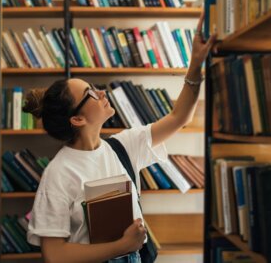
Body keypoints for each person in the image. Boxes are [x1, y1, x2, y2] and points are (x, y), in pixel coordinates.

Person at [24, 14, 217, 263]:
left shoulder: (123, 146)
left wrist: (196, 63)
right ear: (78, 119)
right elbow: (54, 254)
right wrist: (122, 246)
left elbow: (178, 117)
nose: (101, 92)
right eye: (90, 93)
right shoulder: (59, 173)